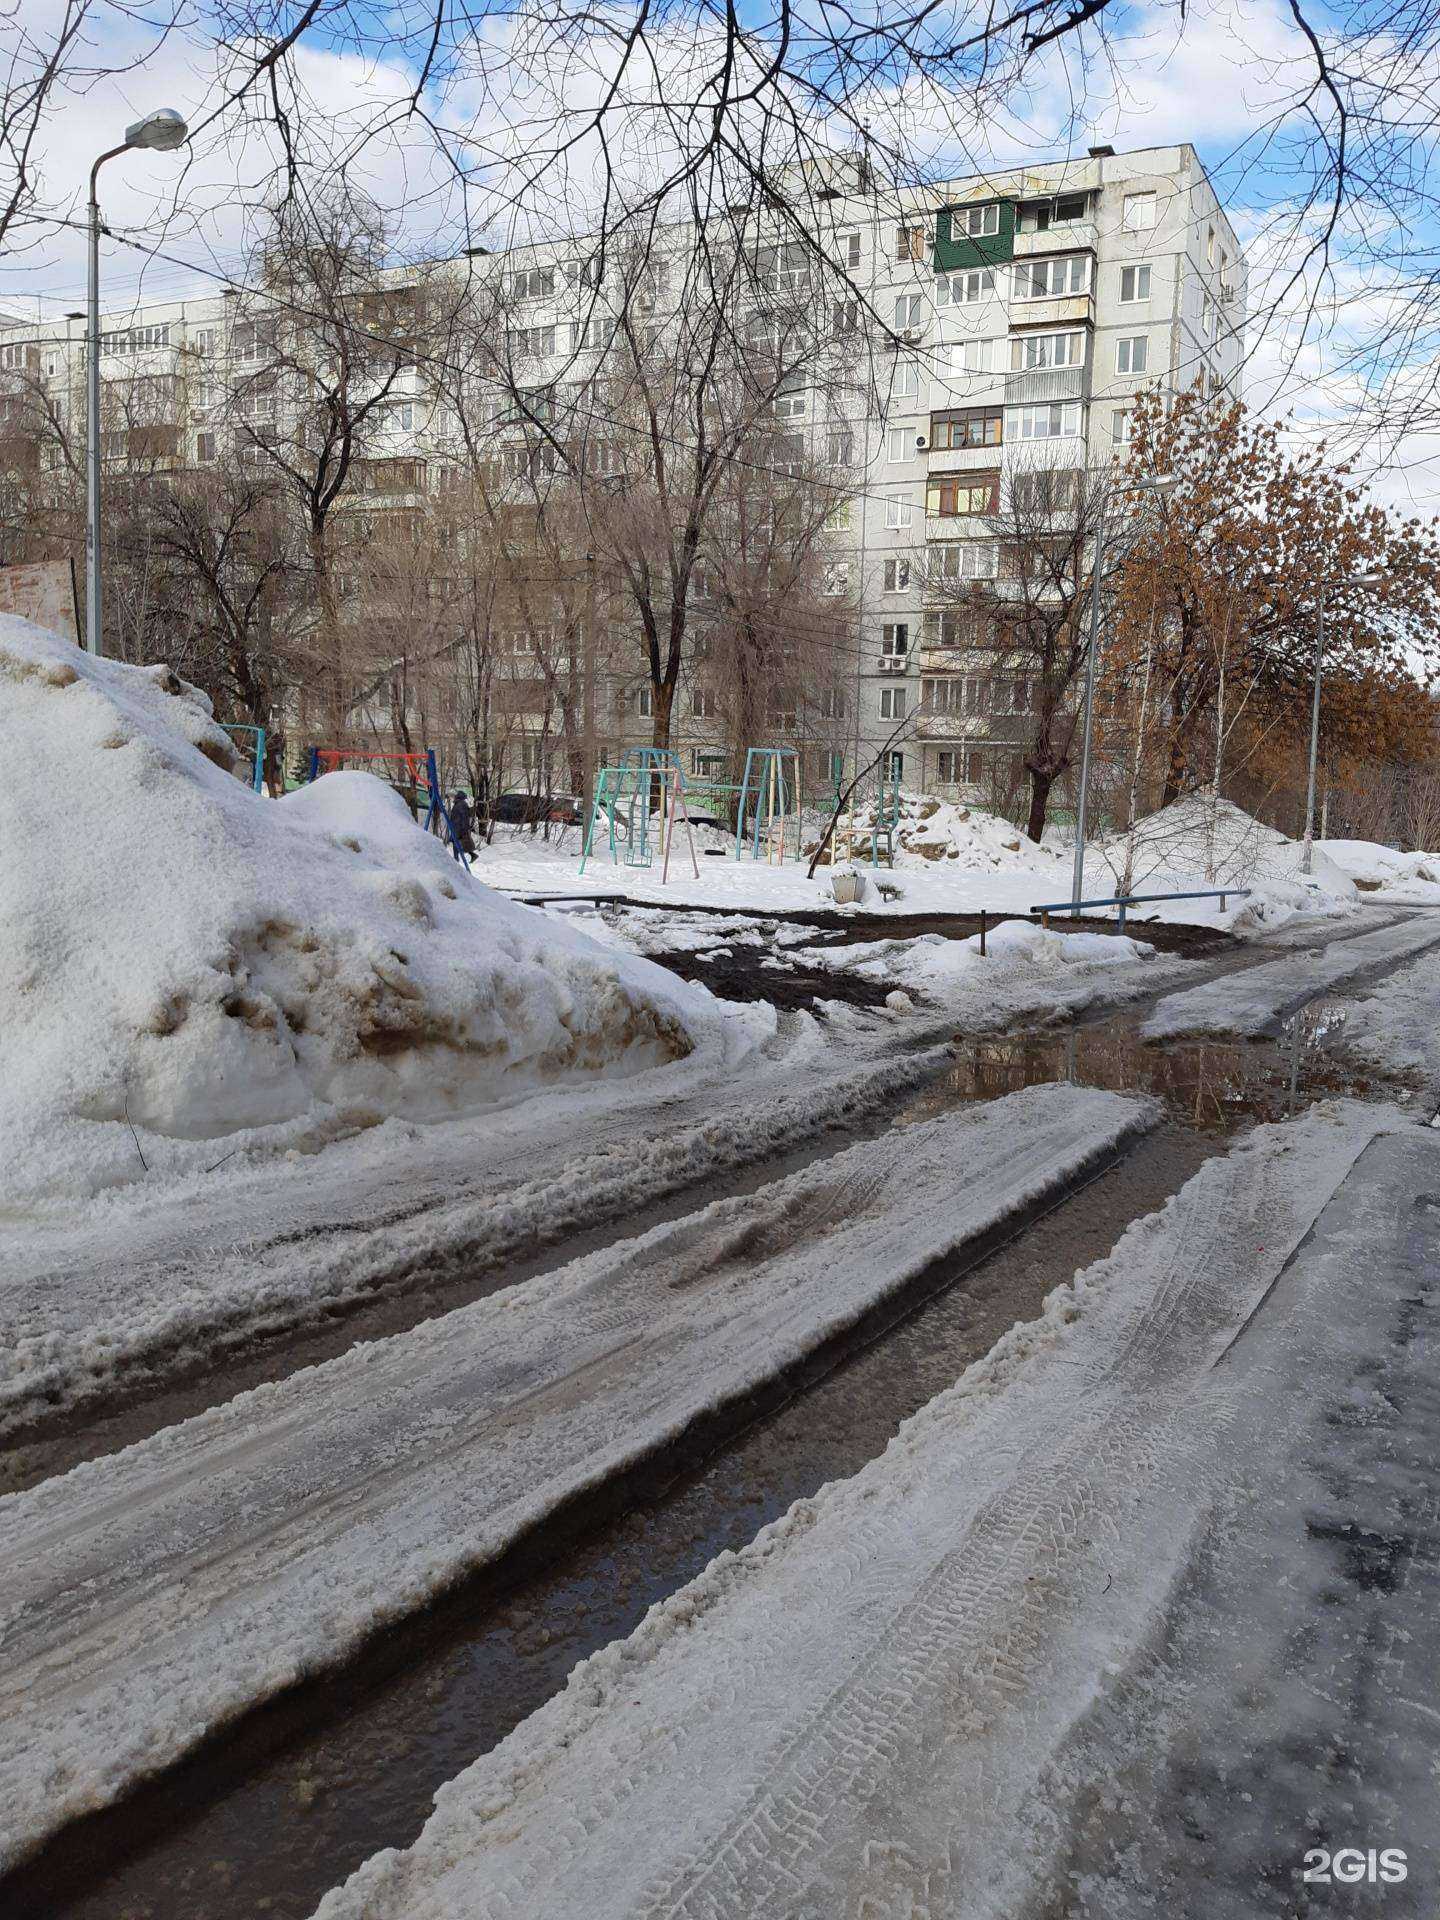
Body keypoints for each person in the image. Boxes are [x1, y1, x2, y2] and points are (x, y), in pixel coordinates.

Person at [448, 789, 477, 861]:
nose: (452, 798)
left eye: (453, 796)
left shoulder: (461, 804)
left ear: (457, 797)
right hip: (457, 827)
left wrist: (464, 829)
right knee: (458, 844)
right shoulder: (459, 804)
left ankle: (456, 860)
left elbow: (464, 818)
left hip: (459, 828)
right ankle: (469, 856)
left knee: (457, 844)